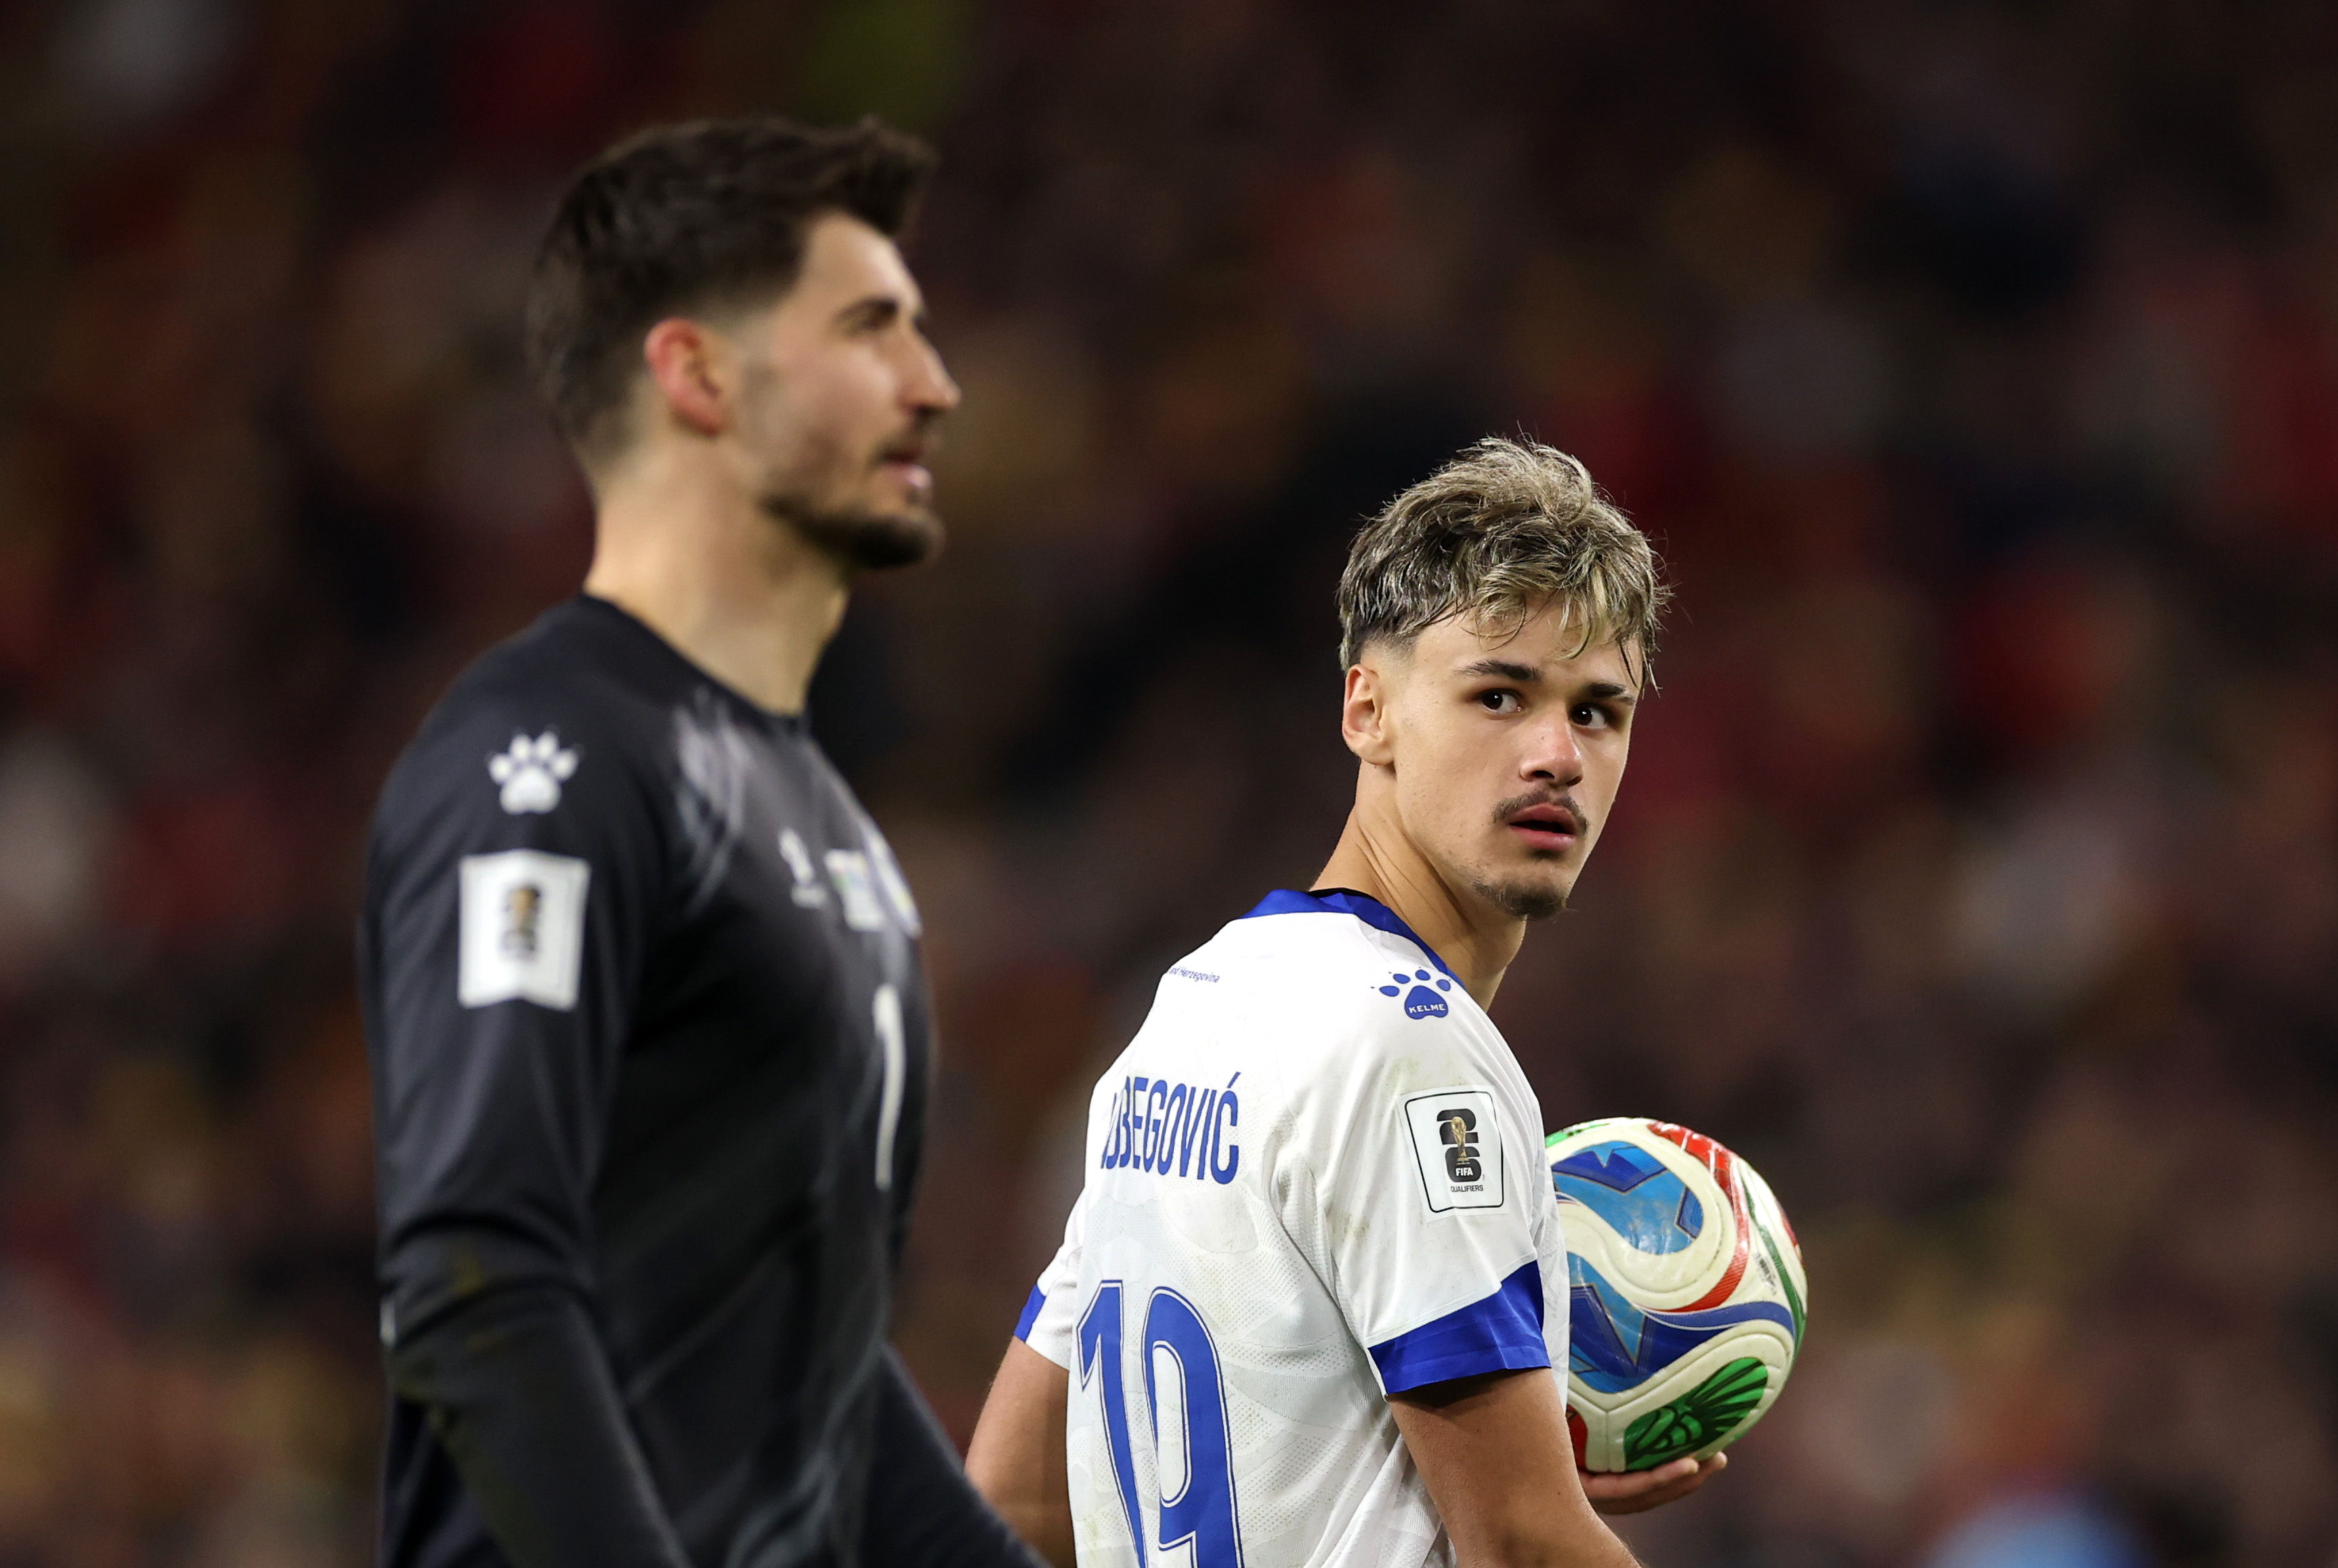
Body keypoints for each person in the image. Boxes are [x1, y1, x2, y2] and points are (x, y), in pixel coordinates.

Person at [360, 116, 1034, 1568]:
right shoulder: (547, 759)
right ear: (697, 375)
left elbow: (820, 1385)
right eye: (869, 329)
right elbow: (475, 1279)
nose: (934, 383)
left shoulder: (833, 834)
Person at [963, 439, 1717, 1568]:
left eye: (1598, 712)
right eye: (1499, 695)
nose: (1558, 754)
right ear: (1368, 710)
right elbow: (1521, 1546)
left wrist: (1494, 1469)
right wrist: (1528, 1507)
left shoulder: (1196, 1003)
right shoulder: (1412, 1047)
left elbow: (1015, 1496)